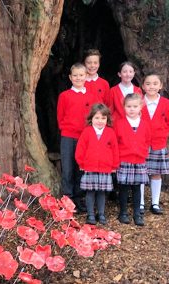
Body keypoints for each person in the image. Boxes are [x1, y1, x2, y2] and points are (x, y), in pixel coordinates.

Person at [57, 63, 101, 213]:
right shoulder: (64, 96)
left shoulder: (91, 96)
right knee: (68, 168)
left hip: (84, 137)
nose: (78, 78)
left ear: (86, 77)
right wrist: (67, 129)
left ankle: (78, 198)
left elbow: (94, 117)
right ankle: (67, 199)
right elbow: (60, 116)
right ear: (70, 77)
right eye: (75, 75)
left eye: (81, 75)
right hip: (68, 136)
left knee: (81, 168)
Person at [75, 104, 119, 225]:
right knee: (90, 192)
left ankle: (101, 214)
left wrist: (114, 166)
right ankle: (90, 215)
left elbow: (115, 150)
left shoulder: (110, 132)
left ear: (107, 119)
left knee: (101, 192)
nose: (100, 121)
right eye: (97, 118)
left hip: (105, 168)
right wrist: (81, 162)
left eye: (103, 118)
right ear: (91, 119)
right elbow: (80, 149)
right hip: (90, 167)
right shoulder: (87, 132)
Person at [140, 72, 169, 215]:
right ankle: (140, 202)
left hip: (158, 143)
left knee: (156, 174)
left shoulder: (165, 103)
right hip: (141, 143)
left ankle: (154, 203)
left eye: (155, 84)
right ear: (143, 86)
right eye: (148, 84)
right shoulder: (139, 102)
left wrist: (162, 134)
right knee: (141, 173)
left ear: (160, 86)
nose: (151, 86)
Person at [114, 93, 151, 226]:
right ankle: (123, 213)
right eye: (129, 106)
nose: (132, 109)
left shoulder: (145, 124)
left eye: (135, 106)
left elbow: (147, 141)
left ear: (141, 107)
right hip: (124, 160)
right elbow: (115, 143)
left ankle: (137, 213)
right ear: (124, 107)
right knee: (123, 188)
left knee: (136, 188)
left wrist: (142, 153)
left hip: (139, 160)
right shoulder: (119, 124)